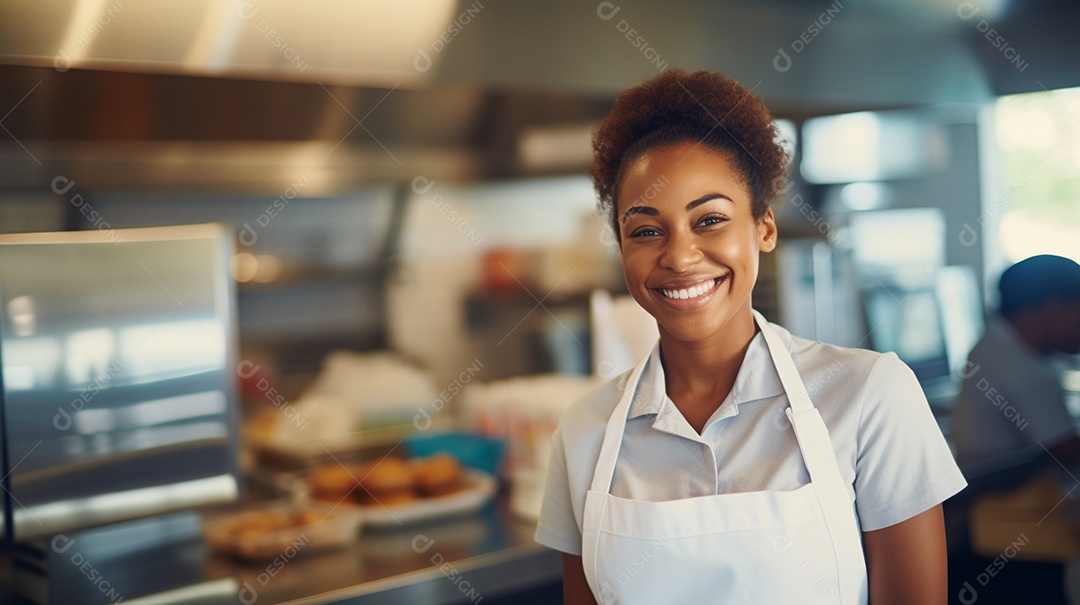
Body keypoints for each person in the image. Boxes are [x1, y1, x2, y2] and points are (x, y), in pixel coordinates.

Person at [534, 69, 967, 605]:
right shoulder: (584, 432)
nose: (679, 256)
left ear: (763, 228)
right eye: (646, 230)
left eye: (709, 219)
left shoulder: (871, 395)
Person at [951, 254, 1080, 471]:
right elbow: (1068, 452)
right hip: (1001, 497)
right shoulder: (1016, 366)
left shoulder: (997, 340)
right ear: (1054, 307)